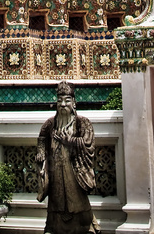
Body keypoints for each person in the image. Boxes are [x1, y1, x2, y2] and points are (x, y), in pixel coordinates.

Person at [37, 81, 100, 234]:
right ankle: (53, 228)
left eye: (67, 101)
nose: (63, 104)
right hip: (56, 168)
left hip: (75, 169)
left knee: (77, 200)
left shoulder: (82, 123)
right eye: (59, 101)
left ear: (74, 103)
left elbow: (88, 143)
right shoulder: (50, 124)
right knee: (57, 199)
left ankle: (86, 227)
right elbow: (42, 139)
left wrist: (69, 141)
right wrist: (41, 153)